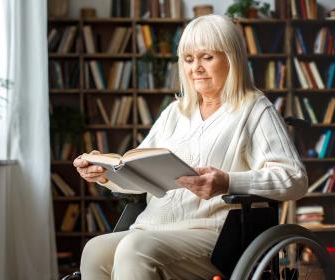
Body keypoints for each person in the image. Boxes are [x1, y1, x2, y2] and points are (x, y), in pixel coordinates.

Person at [73, 14, 308, 280]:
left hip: (215, 235)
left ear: (231, 59)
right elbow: (140, 177)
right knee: (94, 250)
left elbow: (294, 179)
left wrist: (227, 182)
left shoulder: (253, 109)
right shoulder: (174, 113)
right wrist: (105, 174)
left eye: (207, 57)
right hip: (152, 228)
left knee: (135, 249)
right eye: (188, 59)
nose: (195, 67)